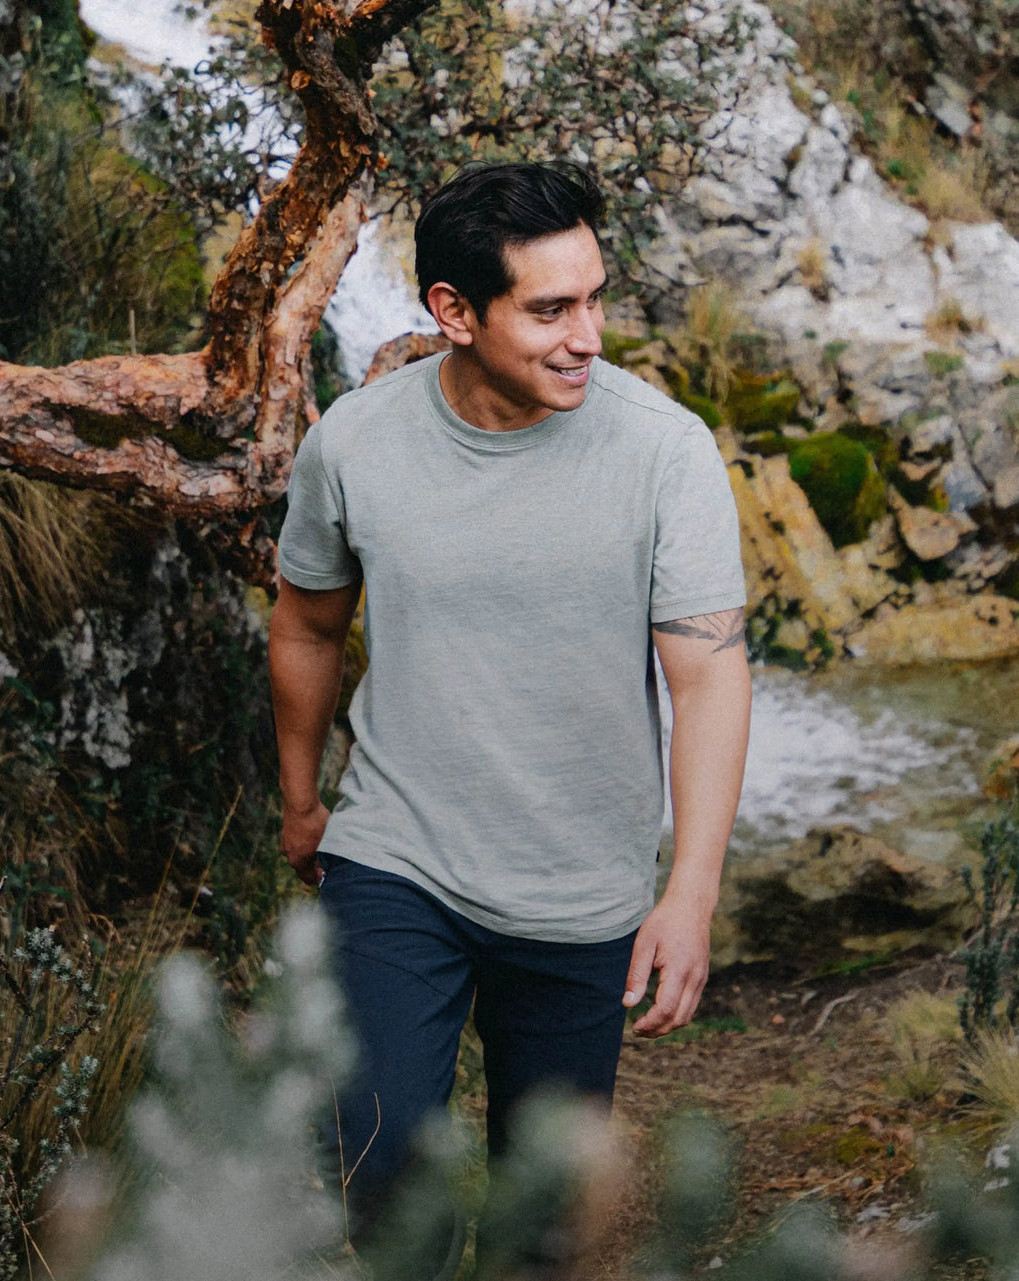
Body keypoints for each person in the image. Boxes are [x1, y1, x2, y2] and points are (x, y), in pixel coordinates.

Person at [269, 161, 751, 1277]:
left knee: (543, 1224)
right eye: (550, 310)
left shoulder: (665, 450)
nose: (588, 337)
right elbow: (306, 623)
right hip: (397, 859)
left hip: (581, 891)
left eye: (595, 299)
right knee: (377, 1166)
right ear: (453, 311)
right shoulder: (355, 443)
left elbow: (709, 678)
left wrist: (690, 893)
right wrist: (301, 798)